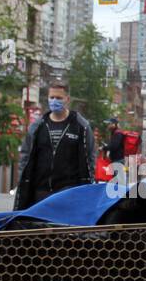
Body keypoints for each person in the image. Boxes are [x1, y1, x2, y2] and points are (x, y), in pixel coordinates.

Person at [14, 81, 96, 210]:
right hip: (40, 192)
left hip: (68, 193)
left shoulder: (81, 126)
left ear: (67, 99)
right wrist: (22, 181)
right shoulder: (37, 127)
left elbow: (90, 158)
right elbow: (25, 156)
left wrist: (87, 186)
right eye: (51, 97)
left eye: (58, 98)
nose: (54, 101)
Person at [104, 118, 126, 182]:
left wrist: (105, 147)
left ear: (114, 124)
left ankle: (122, 191)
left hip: (118, 161)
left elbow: (114, 146)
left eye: (109, 124)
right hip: (116, 160)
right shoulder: (114, 133)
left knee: (119, 181)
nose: (107, 126)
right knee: (116, 180)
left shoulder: (118, 134)